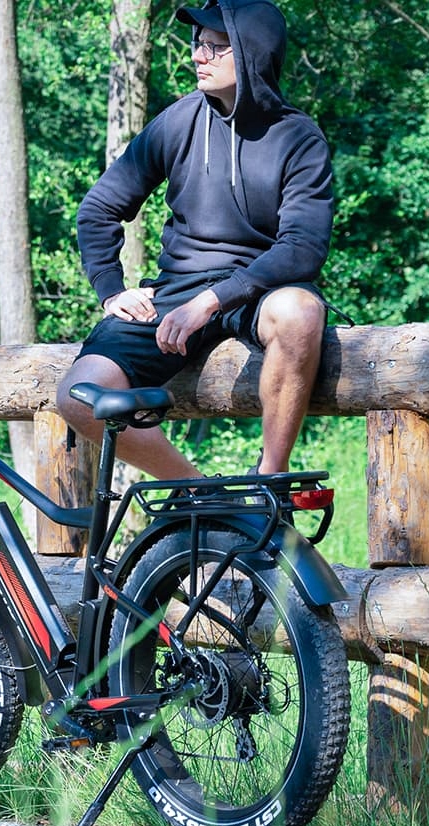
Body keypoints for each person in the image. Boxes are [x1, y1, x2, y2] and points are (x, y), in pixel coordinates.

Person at [56, 0, 332, 480]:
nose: (199, 56)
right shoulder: (179, 120)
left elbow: (302, 248)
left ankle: (269, 480)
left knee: (301, 312)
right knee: (79, 397)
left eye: (216, 47)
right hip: (177, 290)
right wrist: (111, 290)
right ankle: (200, 493)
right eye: (198, 44)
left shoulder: (298, 138)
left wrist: (211, 301)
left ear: (252, 53)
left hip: (258, 289)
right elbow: (98, 208)